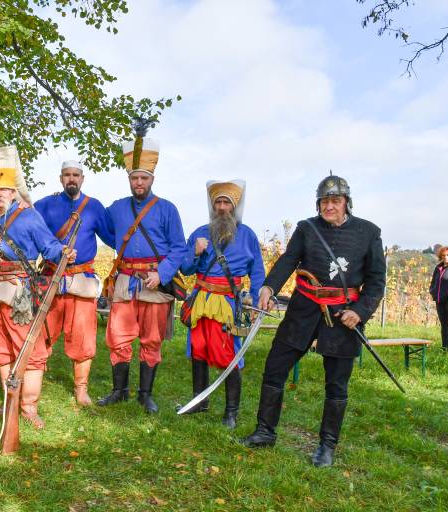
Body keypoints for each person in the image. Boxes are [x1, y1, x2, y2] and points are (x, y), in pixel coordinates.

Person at [241, 174, 386, 468]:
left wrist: (360, 312)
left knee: (336, 384)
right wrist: (268, 287)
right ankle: (265, 432)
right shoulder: (307, 228)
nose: (329, 206)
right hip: (304, 308)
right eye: (324, 201)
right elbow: (288, 260)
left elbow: (376, 280)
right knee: (275, 368)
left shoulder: (368, 232)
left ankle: (327, 447)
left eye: (335, 201)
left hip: (343, 313)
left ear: (346, 202)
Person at [0, 143, 76, 429]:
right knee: (1, 350)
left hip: (19, 292)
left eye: (3, 189)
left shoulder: (29, 215)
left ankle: (29, 407)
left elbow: (49, 245)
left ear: (13, 190)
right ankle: (11, 400)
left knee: (30, 352)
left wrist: (63, 253)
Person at [98, 131, 187, 414]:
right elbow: (105, 231)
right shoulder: (116, 208)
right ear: (129, 179)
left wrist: (162, 273)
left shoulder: (168, 209)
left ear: (152, 179)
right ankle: (119, 391)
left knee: (151, 339)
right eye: (135, 178)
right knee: (118, 337)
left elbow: (179, 247)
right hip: (125, 280)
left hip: (155, 283)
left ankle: (145, 395)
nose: (139, 182)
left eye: (144, 178)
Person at [178, 180, 265, 428]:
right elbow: (185, 268)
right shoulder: (199, 232)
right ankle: (199, 402)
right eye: (218, 202)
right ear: (213, 206)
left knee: (228, 353)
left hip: (227, 302)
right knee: (198, 348)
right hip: (201, 300)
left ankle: (231, 412)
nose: (223, 207)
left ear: (234, 206)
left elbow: (257, 271)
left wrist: (256, 298)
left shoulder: (247, 235)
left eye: (227, 202)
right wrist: (195, 252)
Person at [33, 160, 114, 406]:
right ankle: (33, 383)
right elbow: (27, 227)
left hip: (82, 280)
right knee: (41, 333)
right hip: (51, 277)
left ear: (82, 178)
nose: (71, 179)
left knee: (83, 336)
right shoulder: (45, 204)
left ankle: (81, 389)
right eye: (67, 175)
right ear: (61, 178)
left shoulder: (94, 207)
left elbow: (113, 237)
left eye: (76, 175)